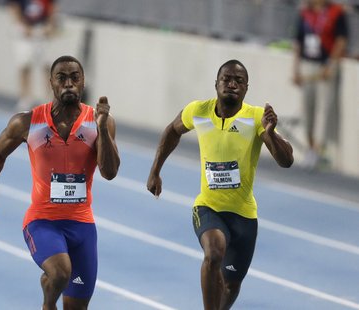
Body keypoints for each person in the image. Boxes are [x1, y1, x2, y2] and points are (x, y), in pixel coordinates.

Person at [146, 60, 294, 310]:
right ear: (216, 84)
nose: (232, 84)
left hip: (244, 215)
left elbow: (287, 161)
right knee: (214, 253)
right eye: (227, 79)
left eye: (239, 80)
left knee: (231, 285)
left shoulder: (256, 117)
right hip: (208, 207)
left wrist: (269, 133)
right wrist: (155, 171)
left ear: (246, 88)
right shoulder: (198, 111)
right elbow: (172, 130)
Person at [0, 55, 120, 309]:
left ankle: (50, 284)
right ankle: (48, 303)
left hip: (82, 226)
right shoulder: (28, 122)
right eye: (61, 78)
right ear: (51, 83)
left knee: (77, 305)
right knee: (61, 272)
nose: (68, 84)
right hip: (42, 221)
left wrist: (102, 130)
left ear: (83, 82)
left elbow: (109, 172)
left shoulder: (100, 122)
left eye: (74, 78)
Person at [292, 0, 348, 169]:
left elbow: (341, 40)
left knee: (325, 109)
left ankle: (320, 150)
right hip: (308, 64)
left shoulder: (337, 12)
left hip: (326, 65)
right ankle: (310, 148)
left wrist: (331, 65)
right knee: (308, 108)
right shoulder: (304, 13)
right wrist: (296, 69)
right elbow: (297, 41)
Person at [9, 0, 57, 110]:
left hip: (42, 29)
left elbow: (53, 7)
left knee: (47, 65)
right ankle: (25, 97)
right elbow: (13, 6)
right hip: (24, 30)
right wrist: (21, 26)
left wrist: (50, 25)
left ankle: (49, 99)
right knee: (24, 64)